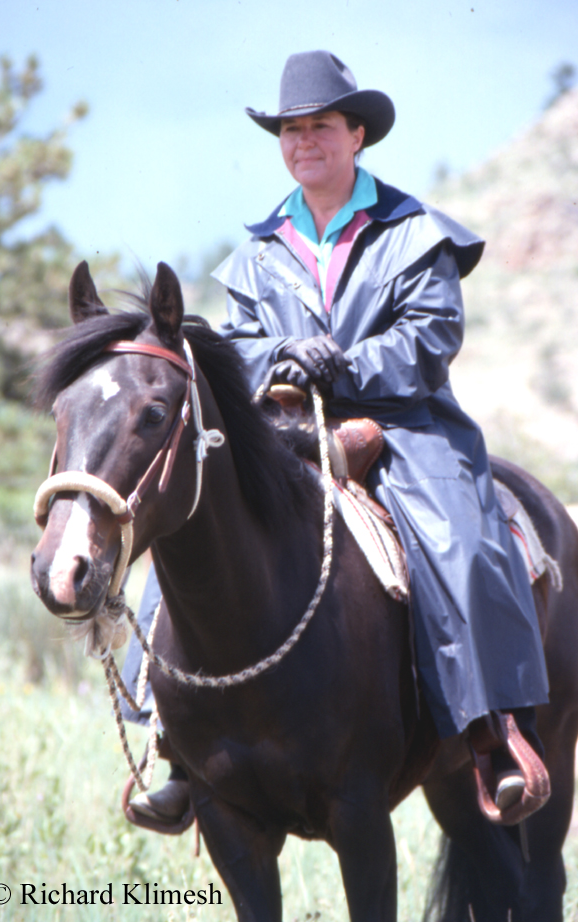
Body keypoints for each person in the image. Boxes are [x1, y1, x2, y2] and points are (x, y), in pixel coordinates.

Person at [125, 50, 549, 824]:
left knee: (460, 538)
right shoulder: (258, 253)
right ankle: (175, 744)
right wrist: (278, 361)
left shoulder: (415, 232)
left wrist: (344, 364)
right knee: (188, 524)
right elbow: (233, 348)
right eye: (290, 129)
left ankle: (492, 730)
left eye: (320, 124)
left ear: (357, 134)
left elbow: (431, 337)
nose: (303, 140)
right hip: (282, 431)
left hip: (404, 425)